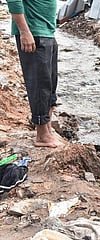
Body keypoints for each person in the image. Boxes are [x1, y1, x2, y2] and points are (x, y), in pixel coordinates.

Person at [7, 0, 64, 147]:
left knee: (50, 83)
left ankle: (48, 129)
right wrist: (25, 32)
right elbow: (13, 0)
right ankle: (42, 134)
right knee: (40, 85)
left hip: (47, 31)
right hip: (33, 31)